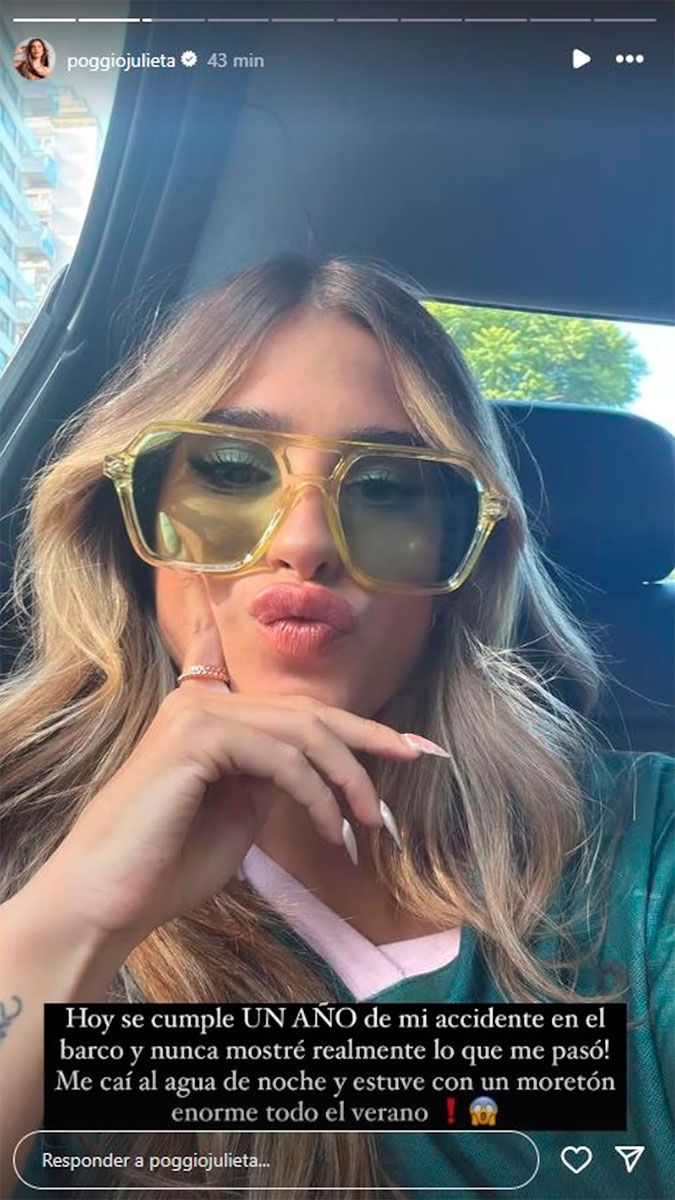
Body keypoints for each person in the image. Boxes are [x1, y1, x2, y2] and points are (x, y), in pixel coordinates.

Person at [0, 255, 672, 1200]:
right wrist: (71, 921)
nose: (304, 543)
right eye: (229, 471)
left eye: (388, 489)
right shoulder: (16, 826)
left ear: (463, 557)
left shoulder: (640, 844)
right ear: (127, 520)